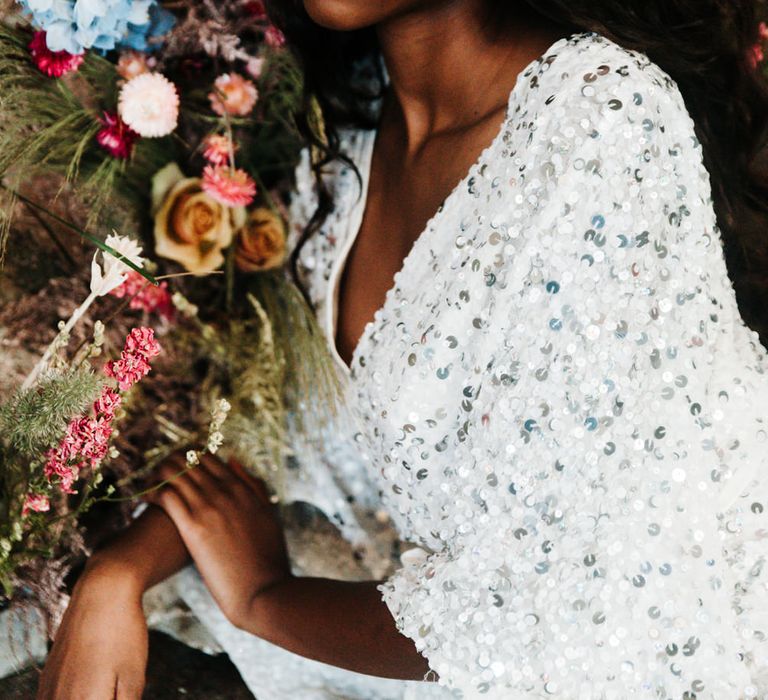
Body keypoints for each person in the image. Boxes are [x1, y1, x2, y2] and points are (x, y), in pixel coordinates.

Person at [37, 1, 768, 698]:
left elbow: (562, 607)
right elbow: (294, 441)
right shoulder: (348, 136)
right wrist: (120, 570)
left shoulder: (600, 122)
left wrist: (264, 599)